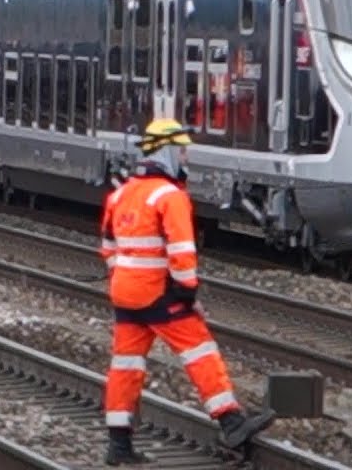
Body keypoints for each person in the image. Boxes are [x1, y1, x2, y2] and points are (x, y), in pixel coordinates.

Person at [99, 118, 274, 465]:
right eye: (181, 149)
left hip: (125, 295)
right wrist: (186, 291)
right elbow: (181, 249)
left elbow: (107, 245)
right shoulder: (170, 196)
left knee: (125, 365)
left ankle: (118, 445)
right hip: (159, 295)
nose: (185, 157)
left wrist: (123, 277)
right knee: (200, 351)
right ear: (165, 151)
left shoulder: (119, 194)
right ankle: (231, 421)